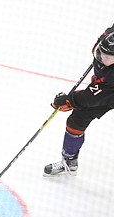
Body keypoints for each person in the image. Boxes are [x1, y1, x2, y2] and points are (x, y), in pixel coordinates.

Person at [44, 24, 114, 177]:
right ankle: (69, 161)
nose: (103, 58)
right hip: (104, 89)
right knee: (77, 120)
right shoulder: (108, 36)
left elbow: (89, 98)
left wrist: (68, 101)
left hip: (108, 92)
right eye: (101, 53)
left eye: (108, 57)